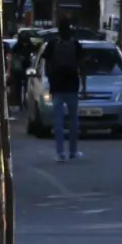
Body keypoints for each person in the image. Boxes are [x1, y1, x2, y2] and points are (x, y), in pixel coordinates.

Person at [44, 14, 85, 162]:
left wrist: (50, 80)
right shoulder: (75, 44)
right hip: (72, 86)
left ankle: (60, 152)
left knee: (58, 123)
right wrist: (84, 86)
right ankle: (73, 152)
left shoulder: (52, 44)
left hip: (57, 87)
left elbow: (46, 64)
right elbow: (82, 66)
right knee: (73, 122)